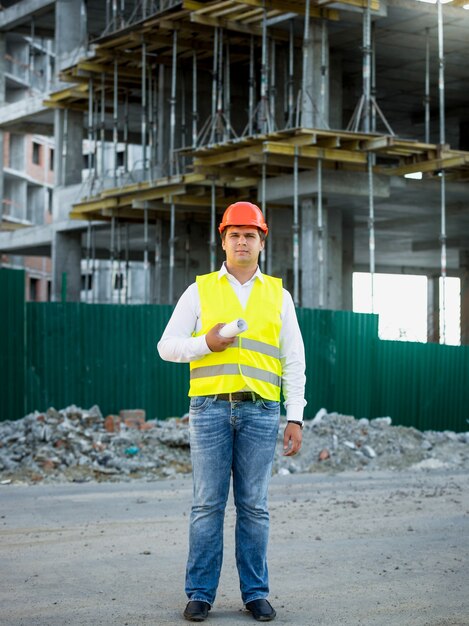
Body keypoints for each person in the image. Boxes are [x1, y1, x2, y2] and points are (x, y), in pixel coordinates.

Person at [157, 201, 306, 622]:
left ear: (262, 241)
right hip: (209, 410)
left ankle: (255, 593)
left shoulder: (279, 295)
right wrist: (206, 343)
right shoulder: (199, 290)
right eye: (235, 234)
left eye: (250, 235)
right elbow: (166, 347)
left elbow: (293, 359)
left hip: (261, 413)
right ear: (223, 240)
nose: (243, 241)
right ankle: (200, 594)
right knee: (207, 504)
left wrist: (294, 416)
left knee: (254, 507)